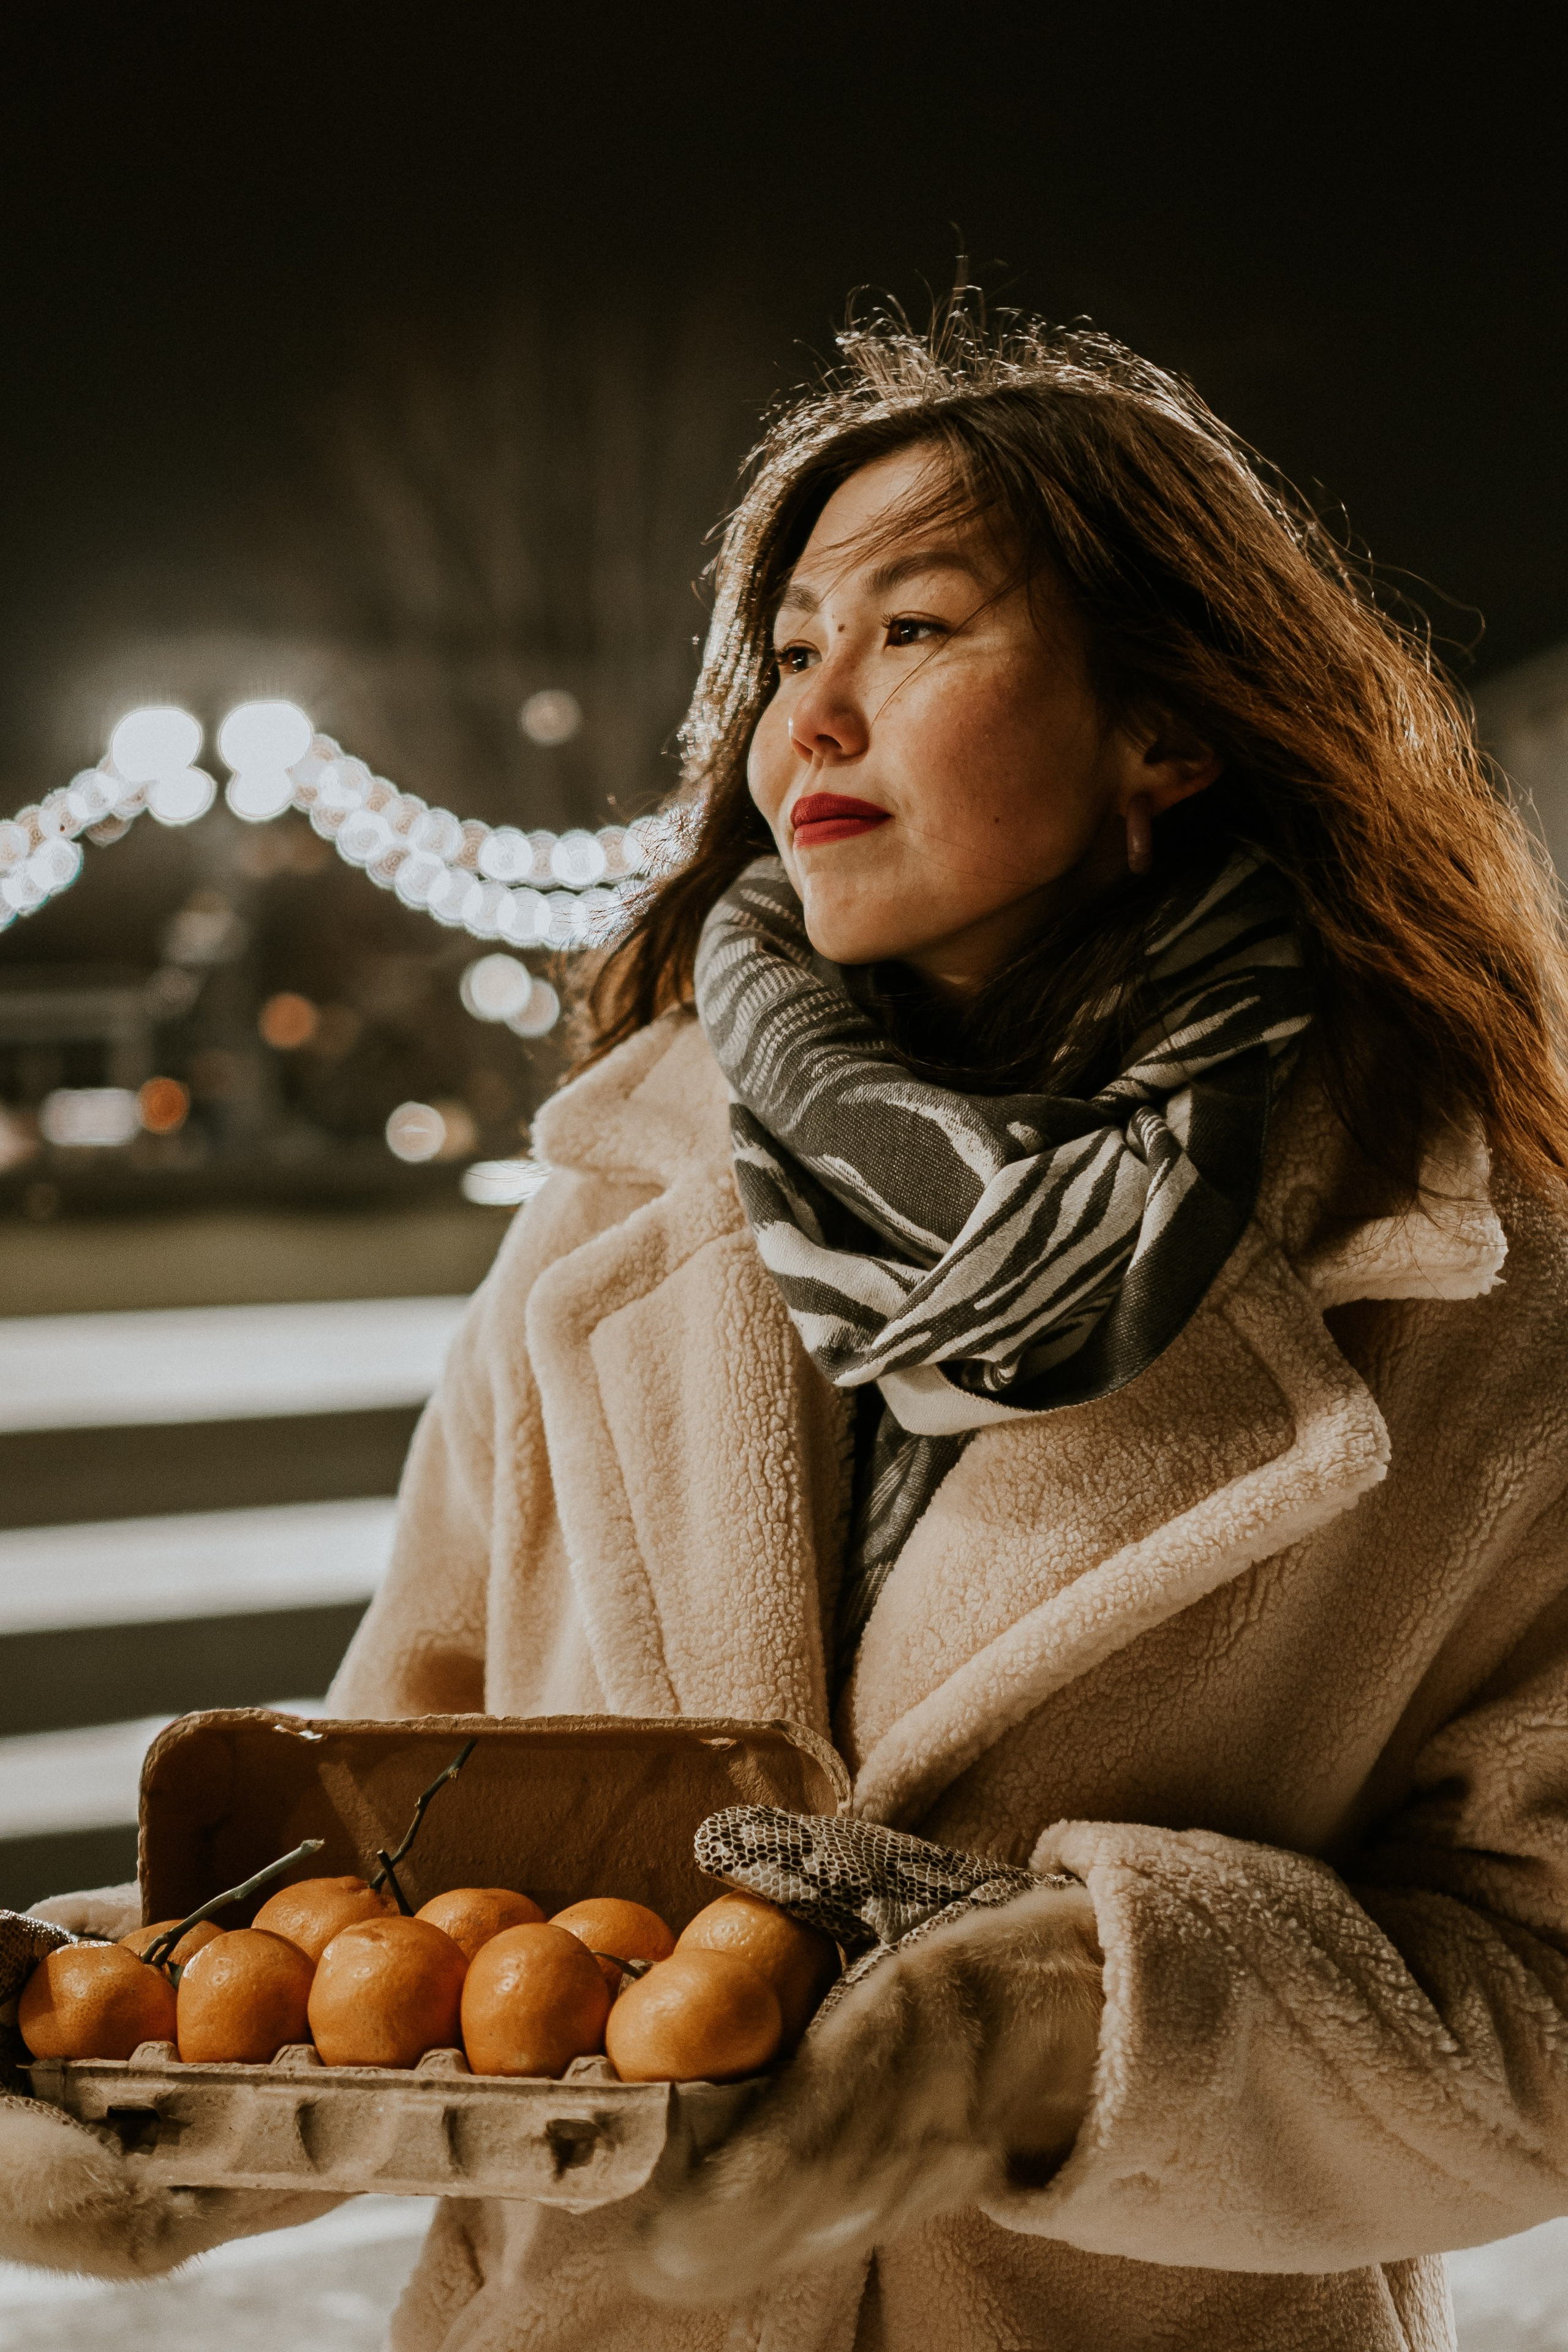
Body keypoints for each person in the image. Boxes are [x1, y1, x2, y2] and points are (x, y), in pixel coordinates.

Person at [8, 303, 1568, 2350]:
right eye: (792, 647)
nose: (807, 722)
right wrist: (112, 2045)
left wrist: (1055, 2023)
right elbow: (420, 1880)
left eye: (914, 633)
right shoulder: (612, 1206)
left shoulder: (1463, 1283)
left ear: (1165, 734)